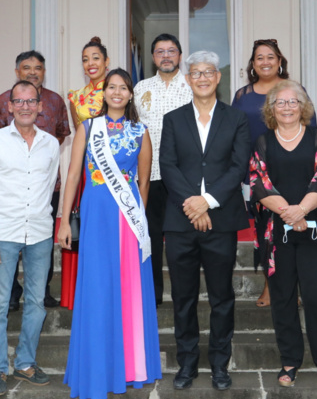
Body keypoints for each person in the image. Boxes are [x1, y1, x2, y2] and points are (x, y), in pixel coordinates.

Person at [58, 68, 161, 397]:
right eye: (111, 87)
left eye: (123, 88)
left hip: (127, 219)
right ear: (103, 93)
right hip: (95, 214)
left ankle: (131, 366)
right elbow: (73, 175)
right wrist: (63, 220)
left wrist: (138, 220)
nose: (117, 92)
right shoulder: (88, 128)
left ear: (131, 94)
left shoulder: (140, 130)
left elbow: (144, 182)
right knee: (98, 288)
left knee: (128, 288)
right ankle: (96, 366)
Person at [159, 51, 250, 391]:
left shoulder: (236, 119)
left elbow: (238, 166)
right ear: (187, 79)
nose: (202, 77)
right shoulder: (173, 119)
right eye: (195, 72)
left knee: (221, 297)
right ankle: (186, 365)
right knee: (183, 298)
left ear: (218, 77)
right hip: (181, 221)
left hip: (220, 220)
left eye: (208, 72)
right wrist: (192, 205)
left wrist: (207, 202)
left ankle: (219, 366)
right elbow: (167, 165)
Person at [249, 80, 317, 388]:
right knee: (283, 297)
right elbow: (259, 183)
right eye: (280, 102)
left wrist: (300, 211)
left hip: (315, 230)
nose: (287, 107)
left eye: (293, 102)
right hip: (277, 234)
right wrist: (289, 215)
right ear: (271, 109)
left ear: (303, 107)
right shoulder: (263, 141)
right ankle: (290, 360)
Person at [0, 80, 60, 397]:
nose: (25, 106)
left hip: (39, 233)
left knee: (36, 303)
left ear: (40, 106)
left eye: (31, 101)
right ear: (9, 106)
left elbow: (49, 188)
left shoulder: (51, 144)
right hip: (3, 234)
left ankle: (25, 363)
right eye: (18, 101)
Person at [233, 39, 316, 307]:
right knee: (264, 230)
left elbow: (310, 126)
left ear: (280, 61)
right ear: (253, 64)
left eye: (271, 56)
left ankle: (299, 285)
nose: (265, 61)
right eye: (259, 57)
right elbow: (233, 134)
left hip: (294, 169)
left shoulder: (293, 90)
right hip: (255, 173)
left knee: (297, 224)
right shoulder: (242, 95)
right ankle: (271, 286)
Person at [0, 50, 71, 310]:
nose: (33, 72)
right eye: (27, 67)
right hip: (7, 189)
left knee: (43, 238)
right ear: (17, 72)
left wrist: (37, 156)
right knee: (8, 243)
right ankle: (11, 292)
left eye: (38, 68)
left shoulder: (55, 101)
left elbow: (61, 134)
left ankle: (41, 290)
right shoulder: (3, 101)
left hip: (47, 187)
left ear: (44, 72)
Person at [134, 33, 193, 306]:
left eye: (171, 51)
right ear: (153, 57)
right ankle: (153, 294)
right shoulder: (140, 88)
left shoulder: (193, 84)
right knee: (152, 237)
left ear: (180, 55)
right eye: (160, 51)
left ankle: (184, 294)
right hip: (149, 175)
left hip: (185, 176)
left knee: (184, 239)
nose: (166, 56)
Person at [62, 37, 111, 310]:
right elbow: (80, 137)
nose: (90, 64)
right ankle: (82, 295)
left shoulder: (118, 90)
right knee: (83, 231)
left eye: (95, 58)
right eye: (85, 59)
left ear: (106, 61)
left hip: (114, 171)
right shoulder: (75, 97)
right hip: (87, 174)